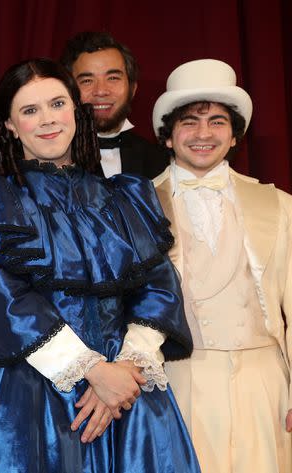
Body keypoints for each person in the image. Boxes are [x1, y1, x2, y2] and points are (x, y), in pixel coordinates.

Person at [0, 58, 199, 473]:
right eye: (29, 111)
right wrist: (92, 372)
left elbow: (159, 287)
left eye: (57, 104)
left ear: (75, 110)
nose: (47, 120)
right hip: (36, 394)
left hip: (130, 391)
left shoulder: (126, 196)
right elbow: (8, 301)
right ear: (11, 125)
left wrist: (125, 370)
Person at [152, 58, 292, 472]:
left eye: (216, 122)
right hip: (177, 377)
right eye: (189, 122)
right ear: (167, 135)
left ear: (234, 136)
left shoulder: (279, 205)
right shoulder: (136, 206)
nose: (202, 134)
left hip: (263, 380)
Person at [60, 32, 168, 178]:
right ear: (68, 90)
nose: (101, 91)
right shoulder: (49, 157)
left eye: (113, 78)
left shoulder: (160, 160)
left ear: (133, 89)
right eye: (87, 81)